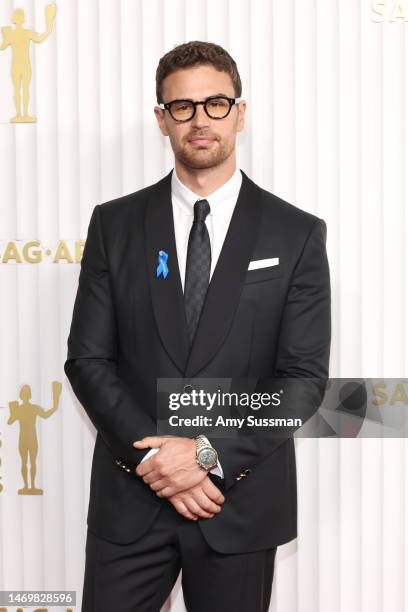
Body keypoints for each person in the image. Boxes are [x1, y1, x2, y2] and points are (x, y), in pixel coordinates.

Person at [64, 40, 331, 612]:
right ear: (162, 120)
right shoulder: (115, 225)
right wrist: (155, 461)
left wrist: (205, 455)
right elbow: (88, 360)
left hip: (237, 501)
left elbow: (303, 380)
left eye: (215, 103)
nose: (200, 120)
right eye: (182, 107)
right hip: (132, 497)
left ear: (240, 111)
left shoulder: (296, 234)